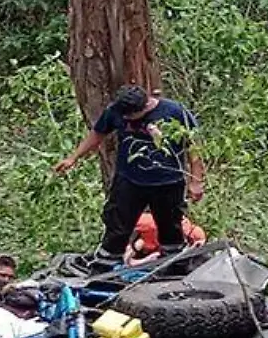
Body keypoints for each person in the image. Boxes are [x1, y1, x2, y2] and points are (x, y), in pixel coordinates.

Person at [52, 84, 206, 262]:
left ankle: (173, 265)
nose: (125, 119)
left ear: (146, 106)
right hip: (129, 179)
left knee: (170, 229)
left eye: (130, 116)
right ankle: (106, 264)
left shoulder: (174, 112)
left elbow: (195, 147)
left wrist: (196, 181)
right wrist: (73, 158)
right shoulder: (116, 110)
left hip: (167, 181)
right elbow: (98, 133)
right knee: (117, 226)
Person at [124, 209, 209, 265]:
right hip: (138, 254)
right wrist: (146, 260)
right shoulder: (149, 223)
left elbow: (201, 242)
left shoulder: (195, 232)